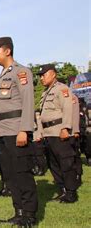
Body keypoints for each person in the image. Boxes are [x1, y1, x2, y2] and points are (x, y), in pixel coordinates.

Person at [0, 37, 38, 226]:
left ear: (7, 51)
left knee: (22, 173)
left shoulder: (21, 72)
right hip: (3, 133)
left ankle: (30, 215)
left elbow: (27, 102)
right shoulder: (2, 76)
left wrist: (24, 129)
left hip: (16, 131)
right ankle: (19, 211)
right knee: (9, 175)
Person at [38, 64, 79, 203]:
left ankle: (71, 192)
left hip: (59, 131)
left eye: (44, 75)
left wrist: (66, 128)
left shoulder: (61, 89)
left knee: (66, 163)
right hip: (49, 133)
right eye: (41, 76)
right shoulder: (46, 92)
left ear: (53, 74)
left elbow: (68, 109)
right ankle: (62, 190)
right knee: (54, 164)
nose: (41, 78)